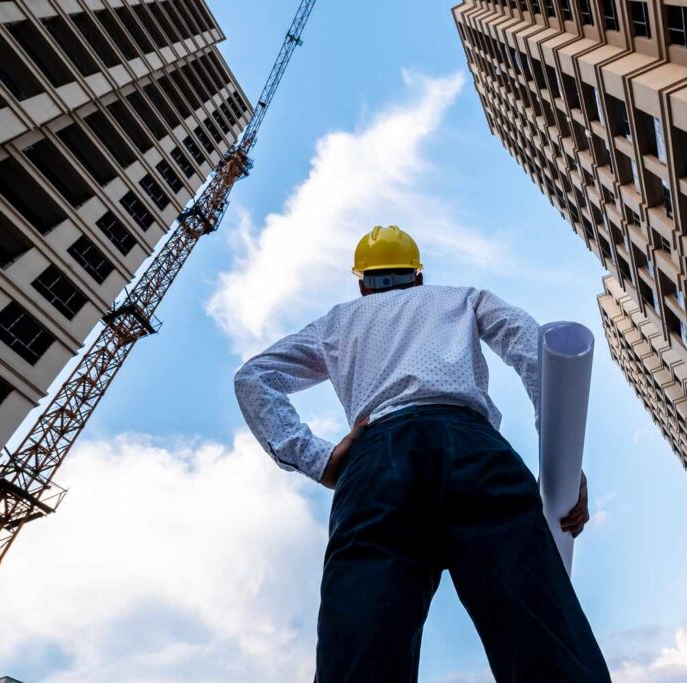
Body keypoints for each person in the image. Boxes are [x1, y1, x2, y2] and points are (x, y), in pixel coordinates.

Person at [234, 225, 611, 682]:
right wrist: (562, 463)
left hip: (378, 463)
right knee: (543, 630)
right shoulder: (461, 298)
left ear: (362, 284)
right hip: (473, 452)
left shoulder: (336, 323)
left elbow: (254, 377)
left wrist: (319, 459)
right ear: (418, 276)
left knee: (361, 648)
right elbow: (531, 346)